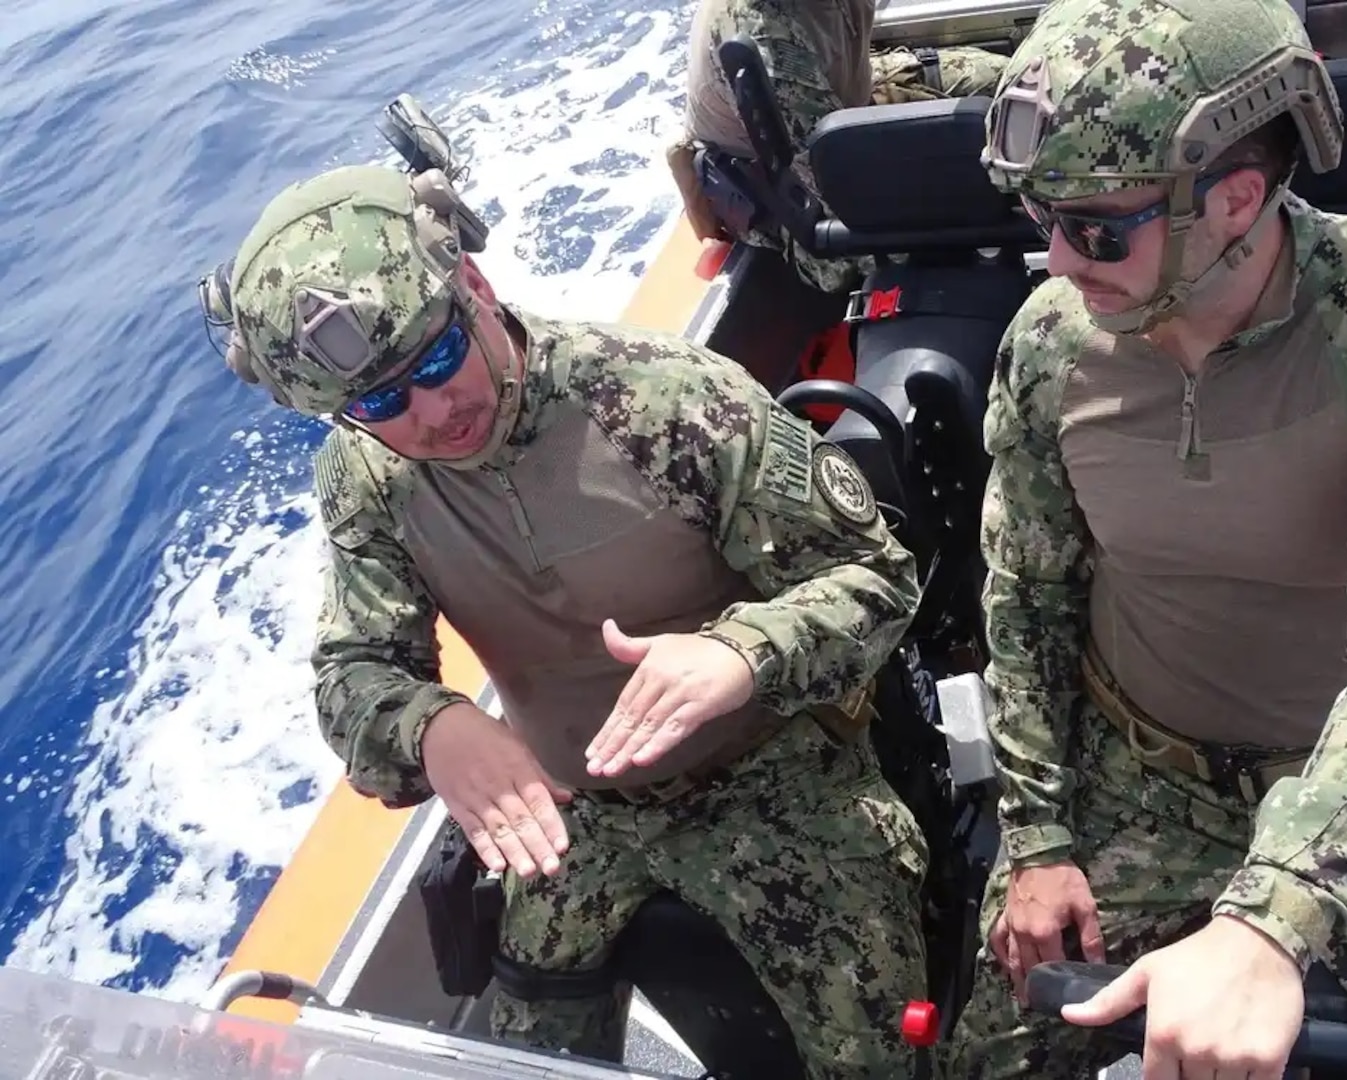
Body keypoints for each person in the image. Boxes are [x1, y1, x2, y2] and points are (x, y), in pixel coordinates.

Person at [199, 160, 932, 1079]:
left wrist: (741, 654)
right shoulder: (371, 478)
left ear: (474, 285)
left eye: (437, 357)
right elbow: (353, 673)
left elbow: (874, 579)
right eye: (381, 401)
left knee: (877, 1056)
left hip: (775, 774)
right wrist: (433, 729)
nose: (433, 412)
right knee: (523, 1061)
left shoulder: (665, 400)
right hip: (571, 817)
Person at [950, 1, 1347, 1078]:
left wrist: (1274, 918)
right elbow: (1025, 595)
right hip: (1137, 782)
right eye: (1044, 217)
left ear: (1235, 200)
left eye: (1098, 229)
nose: (1059, 259)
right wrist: (1036, 837)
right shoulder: (1049, 345)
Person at [666, 0, 1008, 294]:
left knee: (1007, 82)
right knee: (944, 220)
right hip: (794, 193)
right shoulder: (765, 33)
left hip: (847, 101)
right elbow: (833, 174)